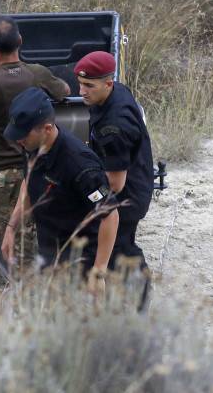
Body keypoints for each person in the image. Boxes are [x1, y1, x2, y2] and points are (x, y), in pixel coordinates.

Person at [0, 15, 70, 306]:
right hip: (28, 175)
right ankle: (25, 303)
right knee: (25, 242)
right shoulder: (37, 73)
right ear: (20, 42)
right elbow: (65, 92)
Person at [1, 88, 119, 294]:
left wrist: (98, 273)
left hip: (81, 260)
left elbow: (110, 216)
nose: (18, 140)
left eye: (23, 135)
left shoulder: (81, 165)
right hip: (50, 253)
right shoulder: (30, 145)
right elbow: (29, 182)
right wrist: (11, 227)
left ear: (46, 128)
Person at [75, 51, 153, 304]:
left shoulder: (114, 127)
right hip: (132, 178)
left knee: (120, 248)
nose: (82, 91)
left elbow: (115, 184)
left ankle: (139, 302)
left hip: (127, 196)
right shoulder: (113, 92)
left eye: (89, 85)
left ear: (107, 84)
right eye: (81, 83)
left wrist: (83, 194)